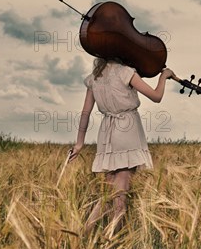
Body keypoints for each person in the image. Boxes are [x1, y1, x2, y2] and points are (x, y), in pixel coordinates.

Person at [68, 57, 176, 238]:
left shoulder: (94, 77)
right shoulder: (126, 72)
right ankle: (112, 246)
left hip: (106, 134)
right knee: (120, 199)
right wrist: (164, 76)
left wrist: (79, 143)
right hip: (127, 131)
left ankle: (83, 237)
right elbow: (156, 97)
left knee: (108, 194)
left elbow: (85, 113)